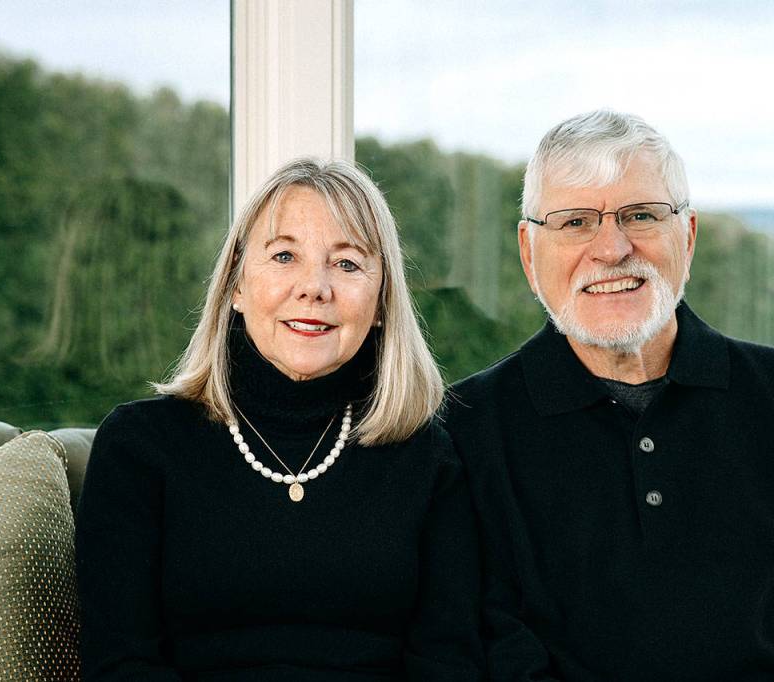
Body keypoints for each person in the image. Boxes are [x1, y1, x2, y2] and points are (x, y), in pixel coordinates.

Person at [445, 110, 774, 681]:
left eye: (641, 215)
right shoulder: (468, 431)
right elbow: (484, 647)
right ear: (530, 252)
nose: (611, 248)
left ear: (689, 236)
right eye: (575, 222)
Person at [76, 158, 484, 680]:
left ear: (382, 301)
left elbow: (449, 665)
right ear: (236, 287)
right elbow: (120, 665)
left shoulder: (429, 459)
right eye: (284, 255)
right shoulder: (139, 447)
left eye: (347, 264)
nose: (314, 288)